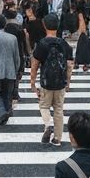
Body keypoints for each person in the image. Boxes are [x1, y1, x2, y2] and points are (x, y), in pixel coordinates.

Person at [29, 14, 74, 147]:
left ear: (44, 25)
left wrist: (32, 82)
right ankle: (57, 139)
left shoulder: (42, 44)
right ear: (58, 25)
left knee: (44, 106)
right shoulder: (64, 44)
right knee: (59, 109)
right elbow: (69, 65)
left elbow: (35, 64)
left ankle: (48, 125)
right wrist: (68, 81)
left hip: (46, 82)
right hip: (60, 82)